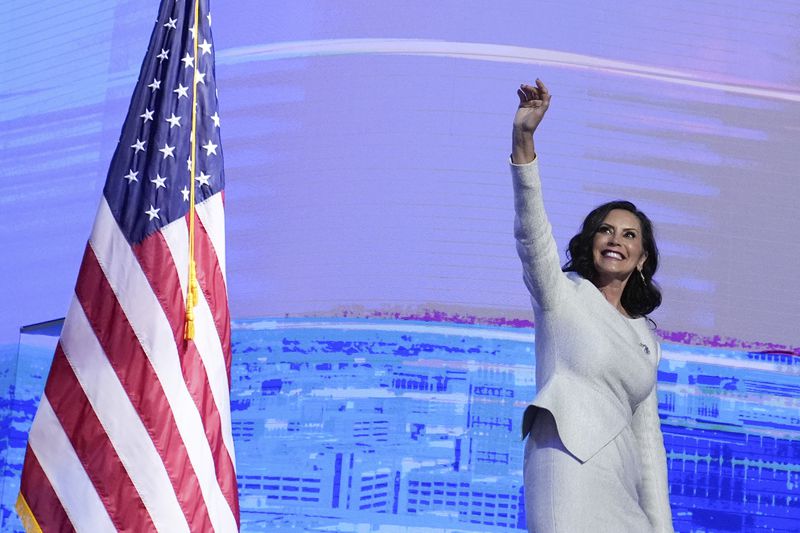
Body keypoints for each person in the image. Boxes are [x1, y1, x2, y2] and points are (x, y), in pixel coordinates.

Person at [510, 79, 674, 532]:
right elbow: (532, 235)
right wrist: (524, 140)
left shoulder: (646, 337)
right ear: (590, 241)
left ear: (642, 259)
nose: (615, 239)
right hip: (567, 470)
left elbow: (648, 442)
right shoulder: (562, 293)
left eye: (629, 235)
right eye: (606, 230)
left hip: (623, 489)